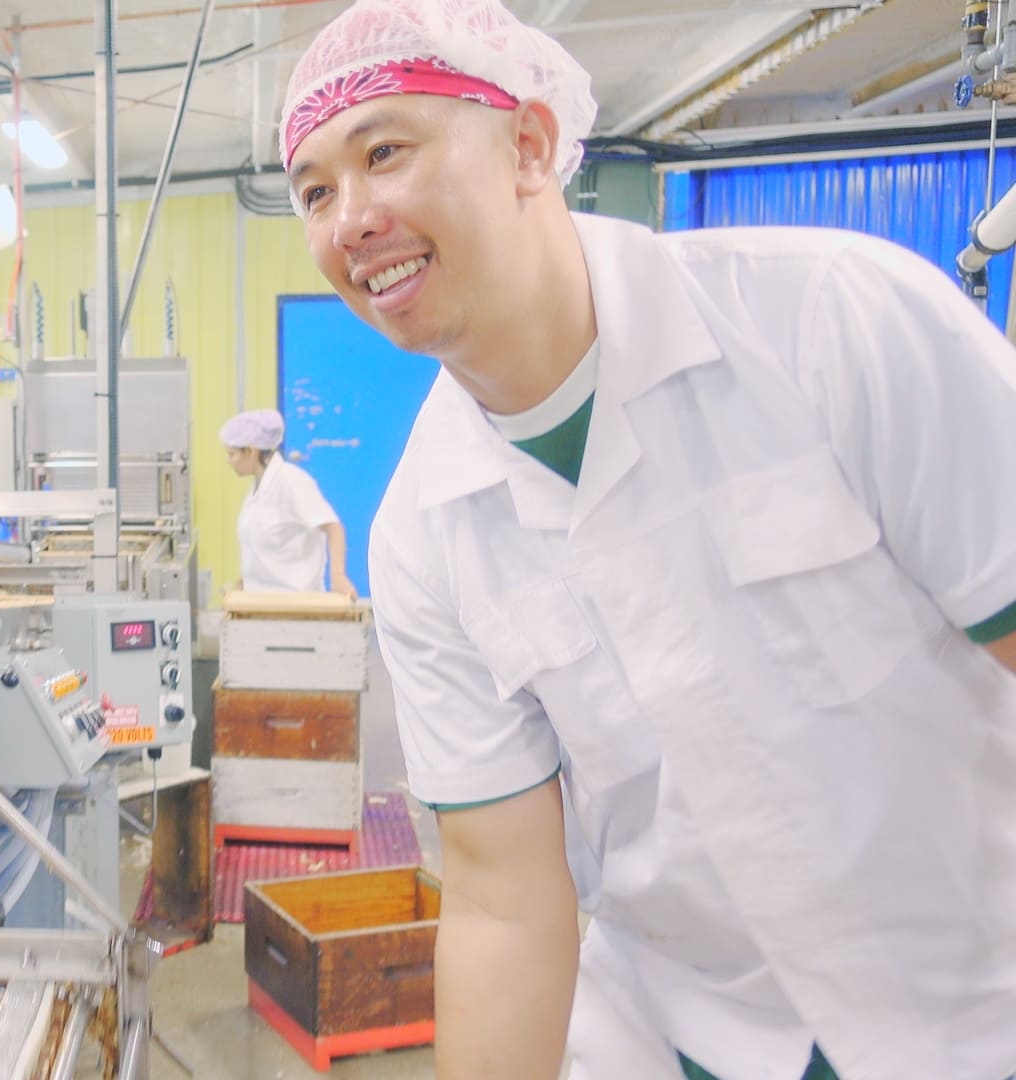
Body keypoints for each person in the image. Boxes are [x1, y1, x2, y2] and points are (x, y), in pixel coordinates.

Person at [280, 2, 1016, 1079]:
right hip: (685, 1042)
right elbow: (501, 902)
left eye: (383, 151)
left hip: (974, 1012)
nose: (349, 218)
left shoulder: (829, 322)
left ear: (529, 146)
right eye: (313, 192)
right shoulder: (422, 537)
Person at [220, 409, 356, 598]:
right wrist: (246, 581)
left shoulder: (292, 482)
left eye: (232, 454)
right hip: (259, 603)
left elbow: (333, 527)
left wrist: (338, 576)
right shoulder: (257, 490)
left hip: (296, 604)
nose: (228, 461)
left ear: (251, 451)